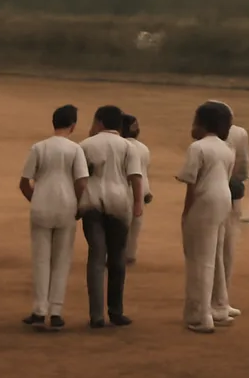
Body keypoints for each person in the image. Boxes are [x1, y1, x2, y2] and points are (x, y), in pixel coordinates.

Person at [19, 104, 89, 330]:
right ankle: (56, 311)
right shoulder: (75, 149)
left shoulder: (39, 147)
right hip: (66, 206)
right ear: (73, 125)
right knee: (61, 260)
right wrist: (78, 205)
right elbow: (81, 182)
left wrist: (36, 199)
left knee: (41, 260)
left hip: (41, 206)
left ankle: (39, 310)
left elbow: (24, 183)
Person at [78, 105, 144, 329]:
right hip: (119, 203)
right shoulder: (128, 146)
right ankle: (116, 311)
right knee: (117, 259)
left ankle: (96, 315)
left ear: (99, 122)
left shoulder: (85, 145)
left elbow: (80, 177)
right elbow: (135, 177)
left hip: (92, 203)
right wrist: (137, 204)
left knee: (96, 258)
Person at [176, 101, 235, 334]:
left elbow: (191, 183)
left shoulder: (198, 147)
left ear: (202, 123)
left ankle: (201, 316)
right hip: (224, 199)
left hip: (205, 200)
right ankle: (216, 308)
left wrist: (186, 212)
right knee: (214, 256)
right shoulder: (226, 148)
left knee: (199, 258)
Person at [215, 103, 249, 319]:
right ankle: (220, 301)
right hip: (228, 194)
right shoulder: (238, 133)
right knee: (226, 250)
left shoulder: (199, 139)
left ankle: (216, 301)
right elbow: (243, 166)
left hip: (208, 196)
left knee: (212, 252)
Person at [120, 114, 152, 266]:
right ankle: (130, 254)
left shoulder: (120, 146)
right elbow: (144, 172)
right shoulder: (143, 148)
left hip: (124, 191)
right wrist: (147, 191)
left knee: (121, 225)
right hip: (141, 190)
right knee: (135, 224)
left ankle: (118, 254)